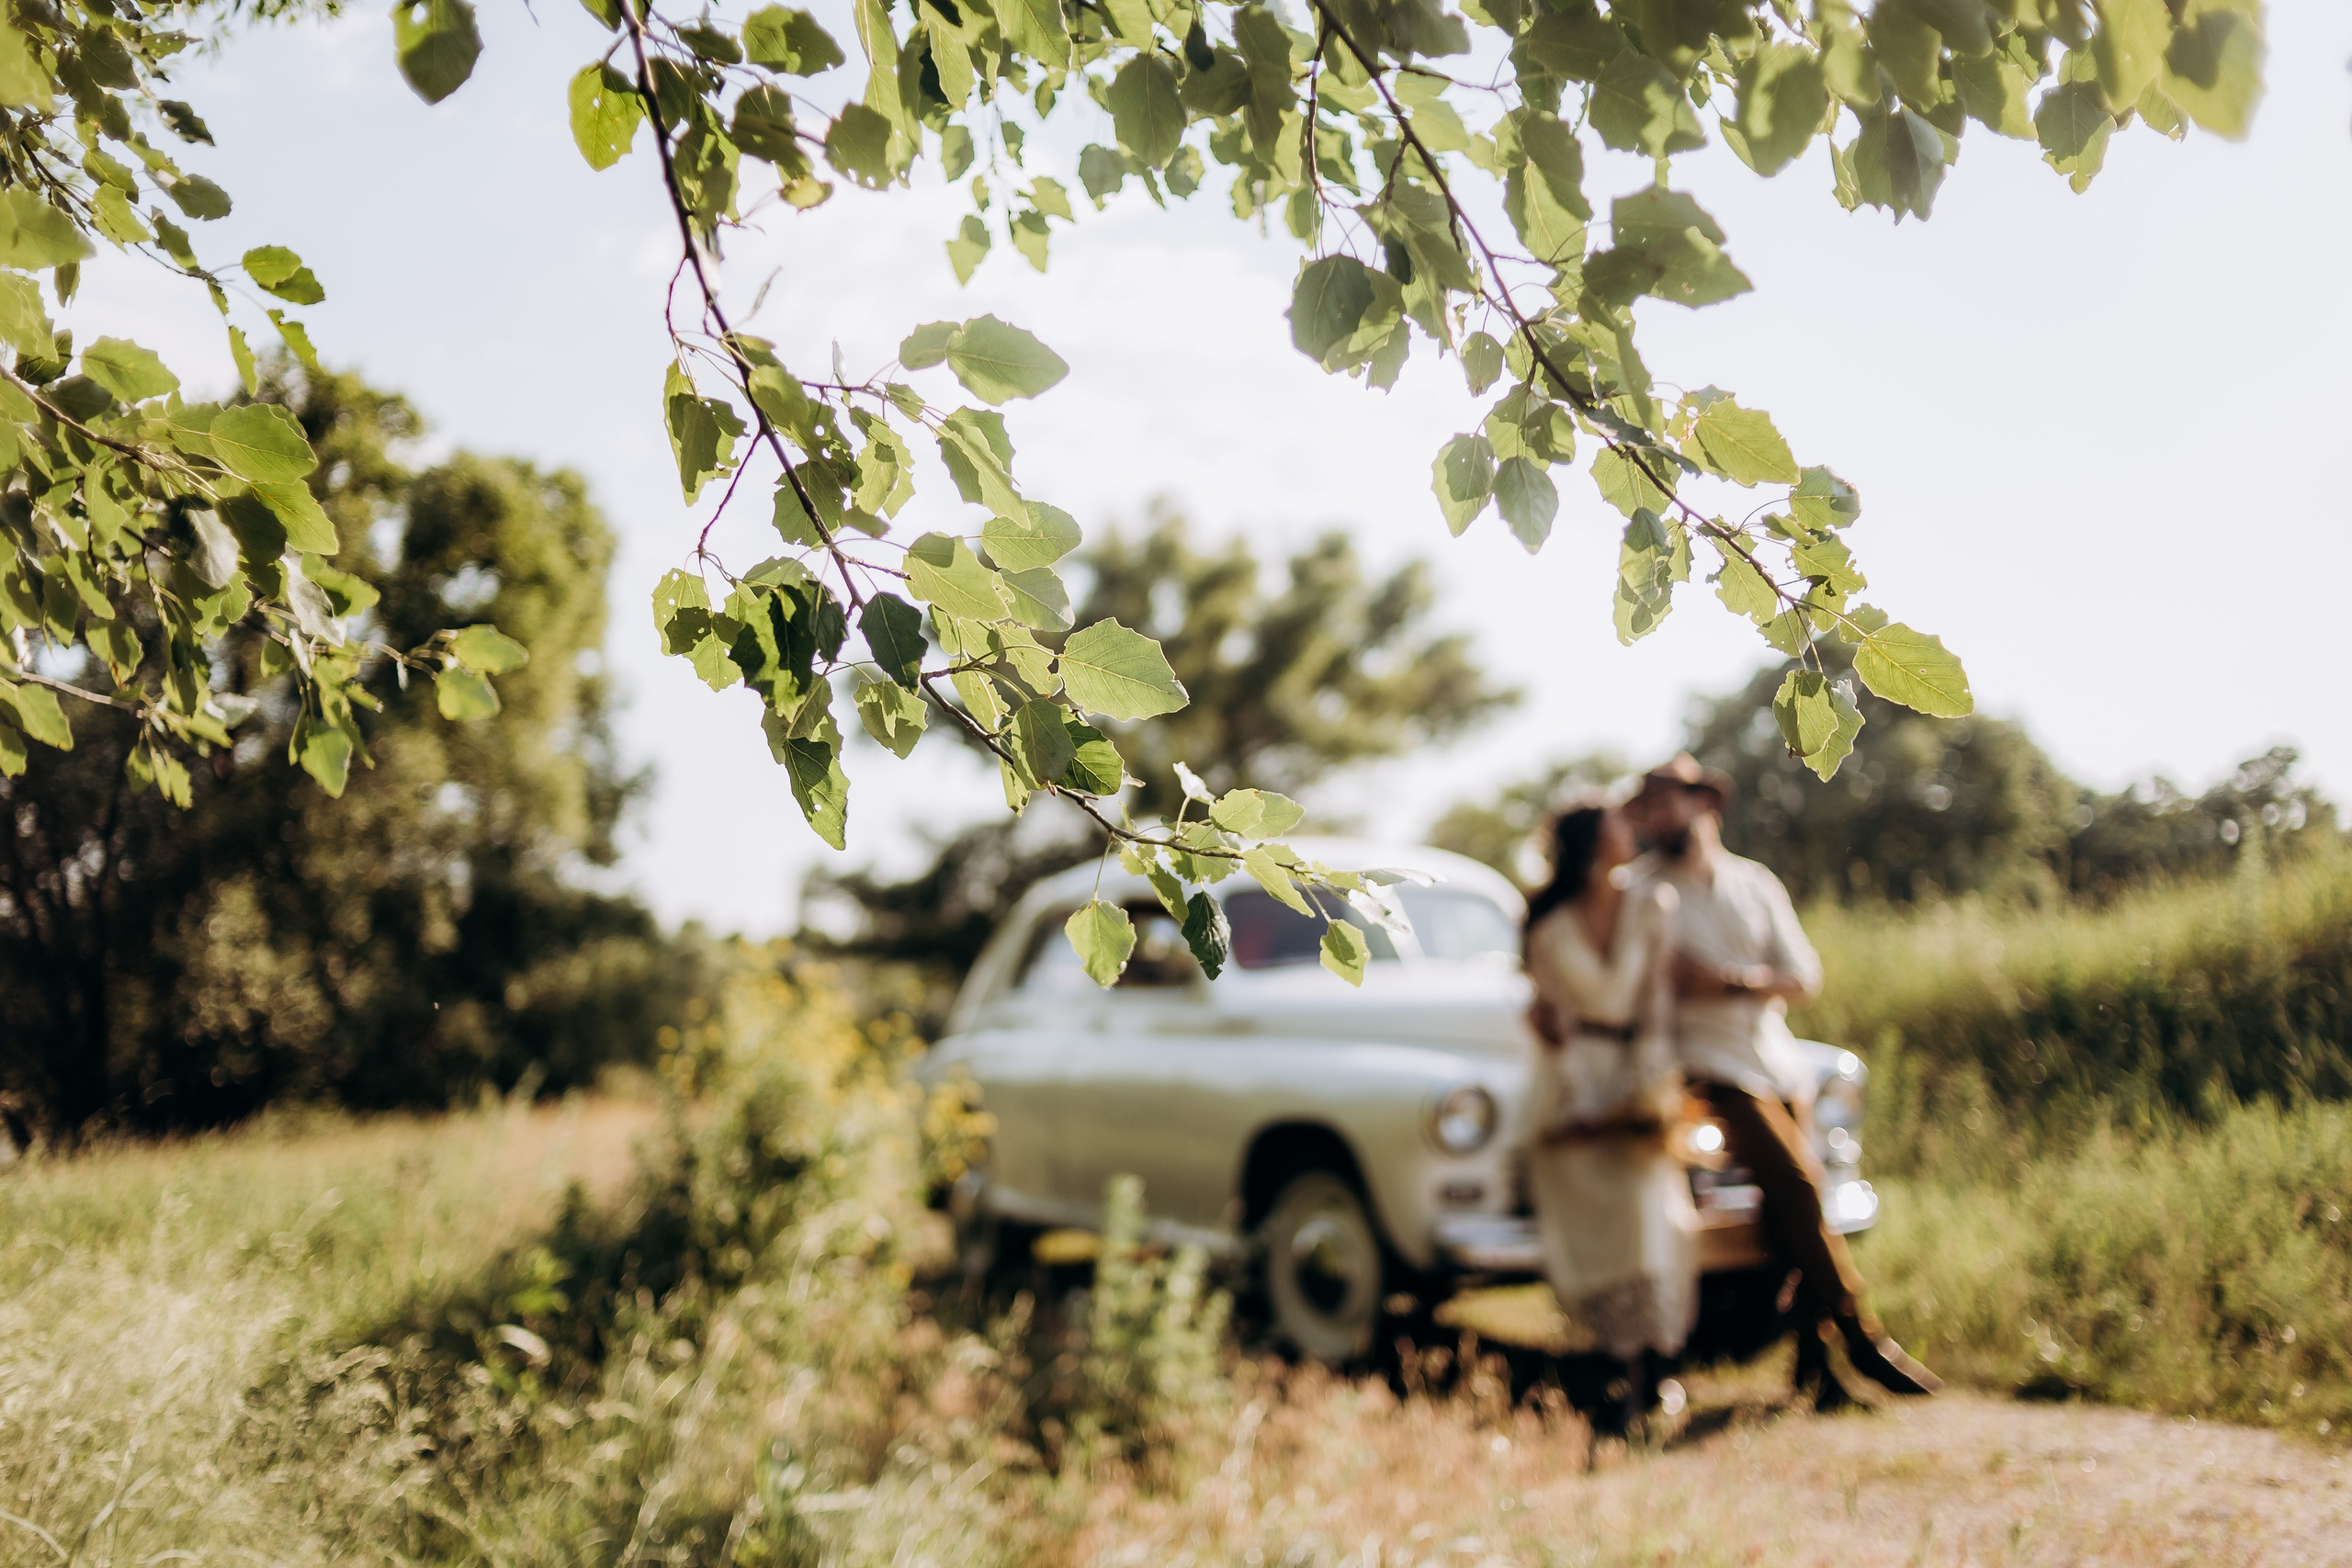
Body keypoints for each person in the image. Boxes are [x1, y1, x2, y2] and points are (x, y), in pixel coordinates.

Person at [1623, 753, 1940, 1404]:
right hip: (1706, 1068)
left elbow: (1804, 976)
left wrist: (1727, 981)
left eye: (1669, 800)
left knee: (1793, 1213)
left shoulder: (1754, 883)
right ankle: (1864, 1337)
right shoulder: (1640, 890)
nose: (1658, 815)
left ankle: (1817, 1368)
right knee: (1797, 1188)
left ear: (1701, 803)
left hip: (1776, 1061)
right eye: (1648, 804)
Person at [1520, 795, 1699, 1432]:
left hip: (1636, 1075)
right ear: (1594, 842)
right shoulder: (1545, 918)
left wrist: (1641, 1093)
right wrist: (1580, 1100)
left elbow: (1656, 1001)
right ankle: (1618, 1370)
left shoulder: (1652, 903)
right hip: (1568, 1084)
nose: (1633, 831)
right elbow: (1548, 1014)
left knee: (1654, 1217)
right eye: (1620, 824)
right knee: (1596, 1229)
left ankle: (1658, 1367)